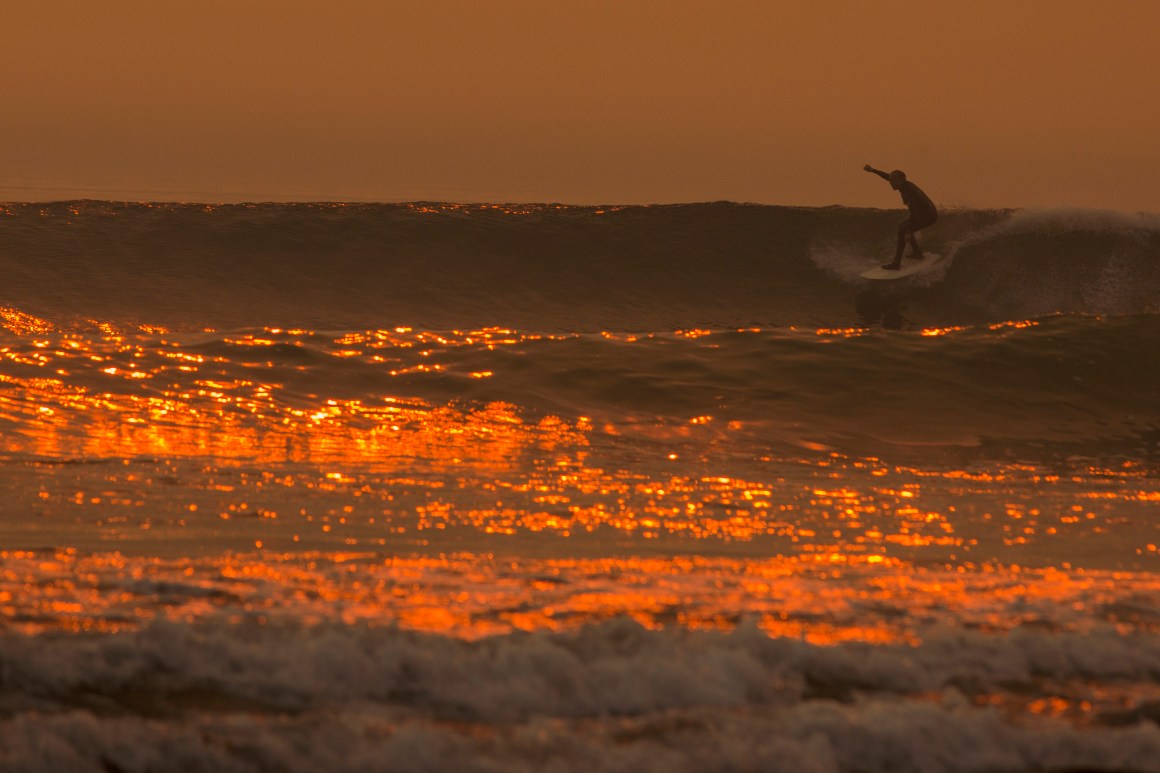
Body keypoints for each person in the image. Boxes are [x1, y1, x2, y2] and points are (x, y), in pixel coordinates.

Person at [863, 165, 938, 270]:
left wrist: (909, 231)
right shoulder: (904, 185)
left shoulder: (911, 193)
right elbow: (887, 176)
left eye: (893, 181)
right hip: (924, 213)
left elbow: (914, 214)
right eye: (890, 181)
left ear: (901, 180)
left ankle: (896, 263)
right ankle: (917, 253)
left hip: (927, 216)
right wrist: (873, 170)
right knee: (901, 227)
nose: (890, 183)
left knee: (903, 230)